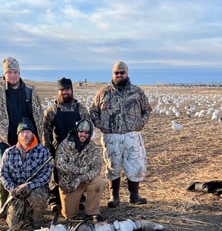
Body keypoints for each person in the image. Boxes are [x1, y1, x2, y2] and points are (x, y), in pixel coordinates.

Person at [0, 57, 44, 225]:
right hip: (7, 141)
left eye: (16, 72)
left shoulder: (29, 91)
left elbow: (38, 113)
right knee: (5, 173)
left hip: (30, 139)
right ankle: (4, 205)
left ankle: (29, 204)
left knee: (33, 171)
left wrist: (40, 136)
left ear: (19, 73)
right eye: (10, 72)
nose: (13, 75)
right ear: (4, 74)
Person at [89, 61, 152, 207]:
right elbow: (93, 111)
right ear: (112, 74)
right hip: (111, 136)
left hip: (131, 134)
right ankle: (114, 196)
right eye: (116, 72)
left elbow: (147, 110)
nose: (119, 75)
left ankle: (134, 195)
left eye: (122, 72)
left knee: (135, 164)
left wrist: (139, 124)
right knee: (113, 165)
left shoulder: (137, 92)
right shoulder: (103, 92)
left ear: (127, 73)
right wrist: (102, 125)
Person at [43, 77, 89, 213]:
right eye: (62, 90)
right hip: (58, 148)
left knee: (76, 173)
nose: (64, 92)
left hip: (76, 147)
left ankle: (79, 199)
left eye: (67, 89)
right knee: (57, 174)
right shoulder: (52, 109)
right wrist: (47, 147)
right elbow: (45, 128)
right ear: (58, 91)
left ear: (71, 90)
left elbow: (87, 127)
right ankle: (55, 200)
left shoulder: (80, 109)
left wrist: (84, 145)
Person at [0, 121, 52, 228]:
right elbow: (3, 174)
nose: (25, 135)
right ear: (18, 135)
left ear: (33, 134)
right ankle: (23, 213)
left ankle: (38, 221)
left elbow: (46, 174)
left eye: (28, 132)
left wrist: (29, 186)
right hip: (16, 191)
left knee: (36, 196)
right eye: (22, 132)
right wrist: (13, 189)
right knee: (13, 224)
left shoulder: (43, 151)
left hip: (36, 189)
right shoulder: (8, 152)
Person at [55, 119, 106, 221]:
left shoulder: (94, 148)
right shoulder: (65, 145)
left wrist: (80, 178)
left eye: (86, 132)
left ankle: (92, 212)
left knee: (99, 182)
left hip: (84, 181)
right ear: (76, 131)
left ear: (90, 133)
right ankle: (69, 206)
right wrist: (80, 170)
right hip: (69, 184)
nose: (83, 135)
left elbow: (96, 170)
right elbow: (59, 164)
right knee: (69, 216)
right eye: (80, 132)